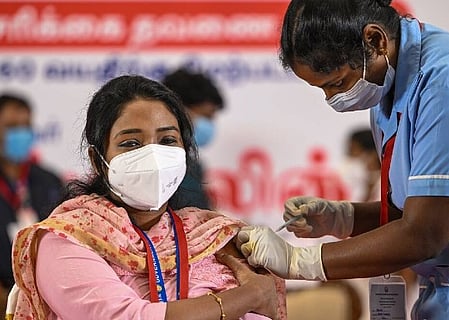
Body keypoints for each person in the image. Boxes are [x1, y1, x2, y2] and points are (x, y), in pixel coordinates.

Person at [235, 1, 449, 319]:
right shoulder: (389, 85)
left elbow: (424, 234)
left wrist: (300, 261)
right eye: (322, 89)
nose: (332, 99)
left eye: (337, 83)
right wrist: (342, 219)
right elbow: (409, 213)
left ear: (376, 40)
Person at [9, 75, 285, 320]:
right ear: (98, 159)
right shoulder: (66, 239)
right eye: (131, 143)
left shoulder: (210, 237)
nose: (153, 156)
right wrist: (247, 297)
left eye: (167, 141)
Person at [0, 93, 65, 318]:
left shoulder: (50, 181)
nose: (20, 134)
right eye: (11, 127)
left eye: (26, 126)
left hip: (46, 296)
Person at [162, 67, 224, 210]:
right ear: (179, 110)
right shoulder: (161, 164)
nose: (209, 125)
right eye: (205, 117)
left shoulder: (193, 165)